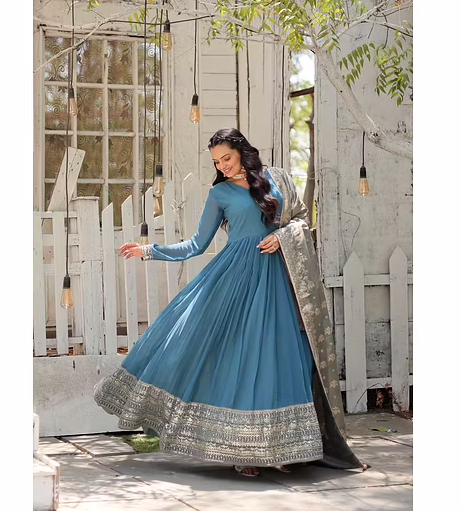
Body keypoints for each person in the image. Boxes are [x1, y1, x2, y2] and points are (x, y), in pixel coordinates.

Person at [94, 128, 364, 477]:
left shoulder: (277, 178)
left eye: (227, 158)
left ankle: (283, 448)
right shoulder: (219, 193)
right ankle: (243, 451)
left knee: (282, 356)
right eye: (216, 162)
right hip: (237, 282)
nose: (222, 166)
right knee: (241, 357)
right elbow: (196, 244)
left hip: (281, 280)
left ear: (243, 152)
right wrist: (148, 250)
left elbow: (300, 219)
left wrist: (282, 237)